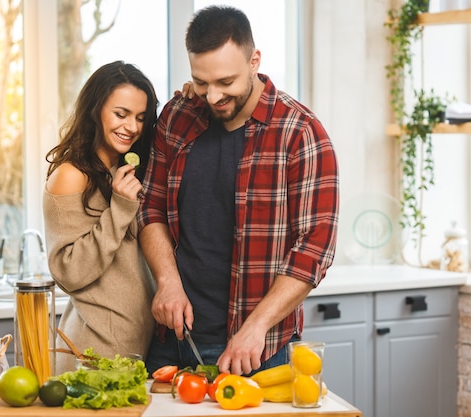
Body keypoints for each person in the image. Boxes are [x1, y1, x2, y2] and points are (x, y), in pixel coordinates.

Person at [138, 5, 339, 376]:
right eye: (201, 82)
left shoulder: (300, 134)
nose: (212, 96)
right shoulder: (177, 116)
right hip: (172, 339)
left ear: (254, 60)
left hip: (257, 349)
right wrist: (166, 281)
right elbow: (150, 208)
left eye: (225, 82)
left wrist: (256, 327)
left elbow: (314, 249)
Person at [43, 61, 158, 373]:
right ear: (95, 110)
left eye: (140, 118)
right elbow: (68, 270)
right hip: (94, 357)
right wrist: (119, 209)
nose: (132, 127)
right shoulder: (70, 176)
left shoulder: (122, 172)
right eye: (120, 114)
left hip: (136, 352)